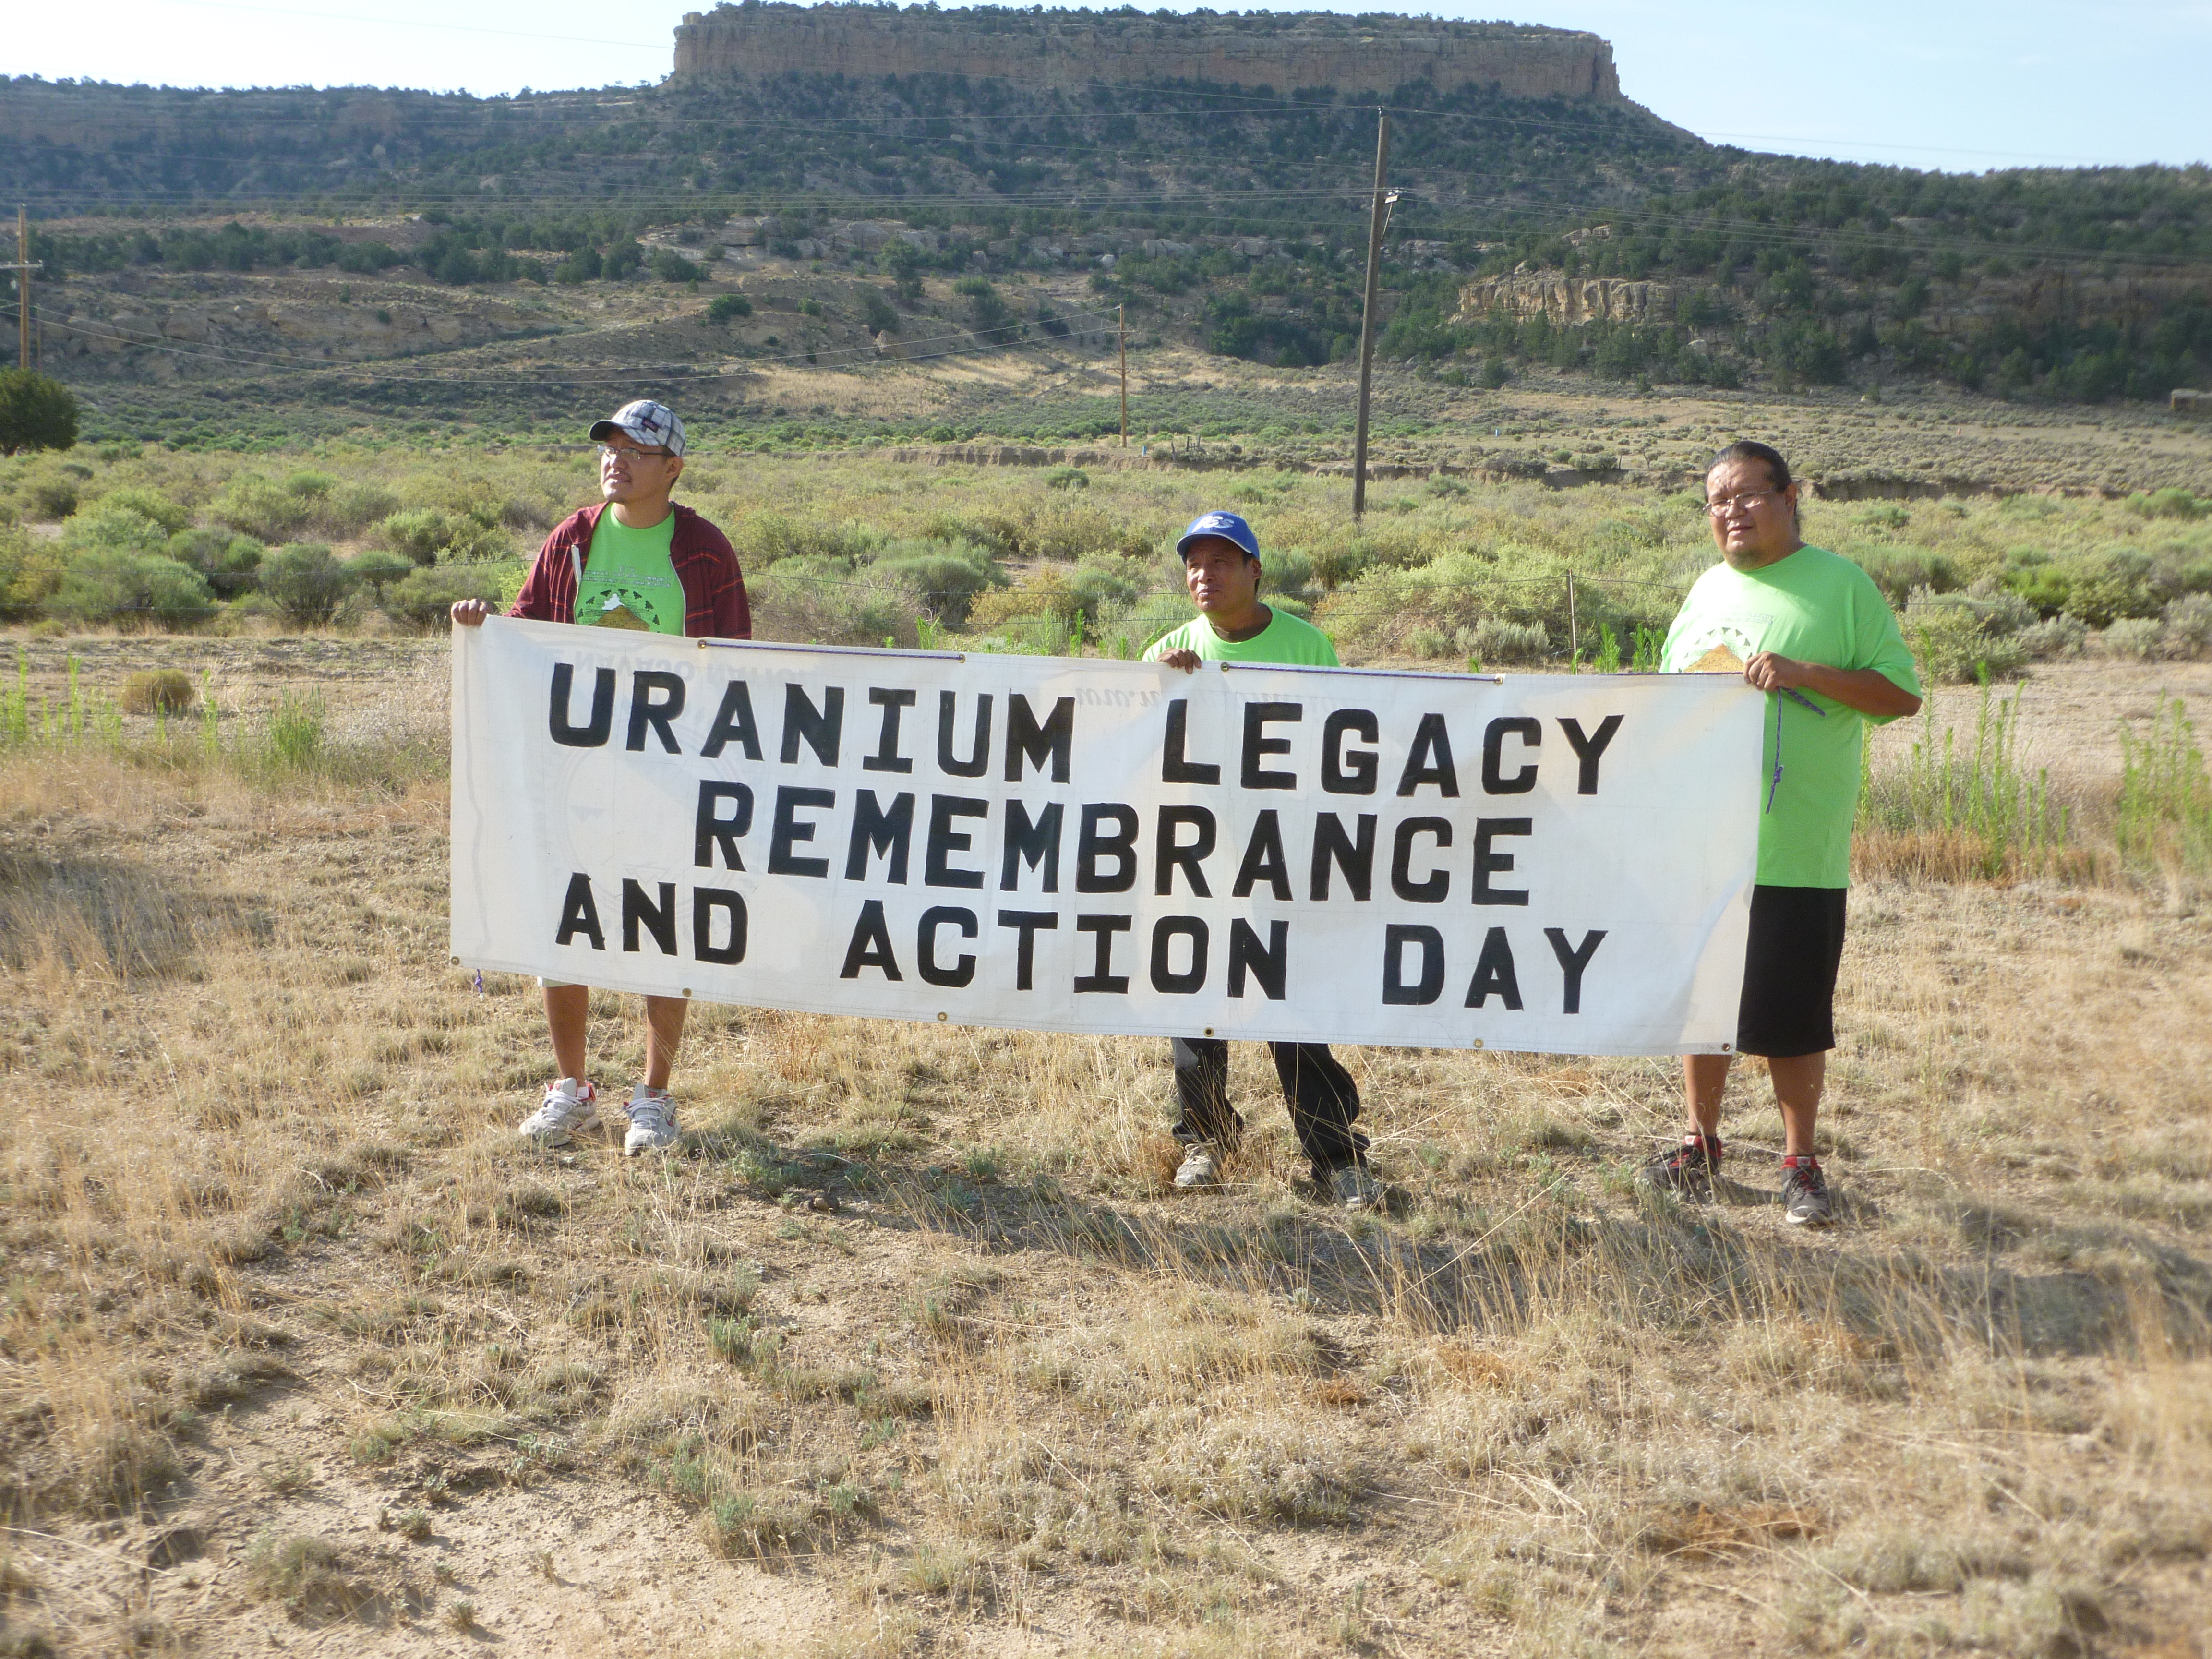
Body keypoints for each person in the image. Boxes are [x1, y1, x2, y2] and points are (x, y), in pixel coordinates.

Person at [452, 398, 750, 1154]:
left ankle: (653, 1098)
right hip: (574, 772)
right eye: (608, 447)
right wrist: (486, 629)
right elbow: (526, 631)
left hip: (671, 776)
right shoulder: (572, 540)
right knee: (566, 924)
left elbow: (741, 664)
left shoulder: (706, 552)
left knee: (665, 927)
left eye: (636, 450)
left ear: (672, 469)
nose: (615, 459)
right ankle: (571, 1089)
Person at [1650, 441, 1921, 1225]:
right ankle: (1700, 1146)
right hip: (1703, 843)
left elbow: (1900, 696)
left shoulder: (1842, 586)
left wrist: (1805, 674)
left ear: (1790, 495)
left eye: (1746, 496)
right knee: (1705, 1005)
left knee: (1792, 1012)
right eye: (1716, 501)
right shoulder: (1705, 590)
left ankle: (1800, 1162)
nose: (1730, 512)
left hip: (1796, 845)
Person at [1145, 510, 1380, 1211]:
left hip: (1284, 854)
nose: (1203, 575)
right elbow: (1126, 743)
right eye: (1194, 563)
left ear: (1254, 571)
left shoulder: (1306, 645)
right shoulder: (1172, 647)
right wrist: (1157, 687)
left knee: (1293, 1004)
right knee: (1197, 1000)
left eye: (1222, 562)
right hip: (1200, 856)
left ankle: (1336, 1155)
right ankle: (1206, 1142)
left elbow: (1343, 742)